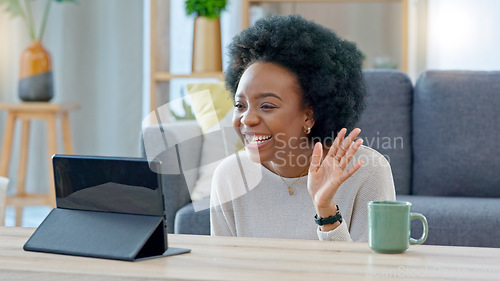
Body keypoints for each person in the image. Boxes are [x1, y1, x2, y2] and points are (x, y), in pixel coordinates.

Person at [210, 15, 395, 241]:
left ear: (308, 116)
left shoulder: (367, 172)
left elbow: (370, 272)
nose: (247, 119)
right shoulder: (230, 176)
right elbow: (224, 268)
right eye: (240, 105)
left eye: (266, 105)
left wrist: (326, 210)